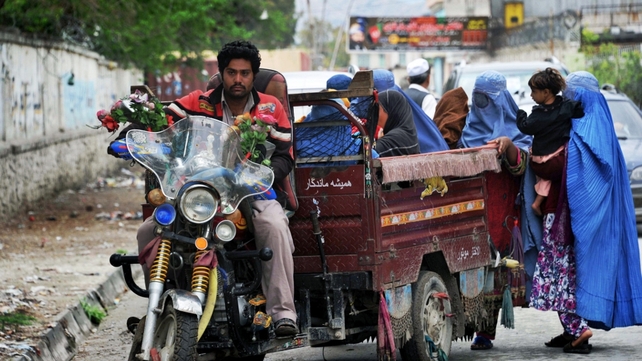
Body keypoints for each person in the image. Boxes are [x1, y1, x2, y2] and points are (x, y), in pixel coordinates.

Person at [134, 40, 299, 338]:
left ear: (253, 75)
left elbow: (284, 155)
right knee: (148, 231)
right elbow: (163, 126)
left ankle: (283, 312)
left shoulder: (270, 107)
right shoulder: (199, 102)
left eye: (245, 73)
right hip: (200, 192)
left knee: (274, 224)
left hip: (251, 192)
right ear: (222, 74)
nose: (238, 79)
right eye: (232, 72)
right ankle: (158, 307)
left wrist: (264, 177)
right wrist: (135, 132)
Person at [557, 71, 642, 340]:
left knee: (586, 265)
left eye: (573, 95)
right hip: (577, 213)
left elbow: (591, 174)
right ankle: (571, 328)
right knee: (568, 270)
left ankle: (578, 329)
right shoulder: (579, 123)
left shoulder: (592, 128)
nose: (569, 101)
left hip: (595, 215)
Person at [457, 70, 533, 351]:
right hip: (477, 211)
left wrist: (509, 146)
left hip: (506, 214)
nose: (481, 104)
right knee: (478, 268)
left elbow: (522, 165)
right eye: (478, 98)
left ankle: (487, 331)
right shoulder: (468, 128)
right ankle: (482, 329)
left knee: (503, 271)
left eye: (487, 99)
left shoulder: (519, 126)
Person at [517, 68, 584, 217]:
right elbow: (580, 110)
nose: (531, 95)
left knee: (548, 175)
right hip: (553, 162)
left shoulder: (539, 115)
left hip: (539, 163)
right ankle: (540, 203)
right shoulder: (565, 106)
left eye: (534, 91)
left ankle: (538, 202)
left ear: (546, 92)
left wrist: (520, 114)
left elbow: (525, 127)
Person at [374, 89, 421, 157]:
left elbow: (366, 154)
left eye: (376, 110)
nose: (373, 116)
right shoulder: (408, 133)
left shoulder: (398, 138)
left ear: (391, 110)